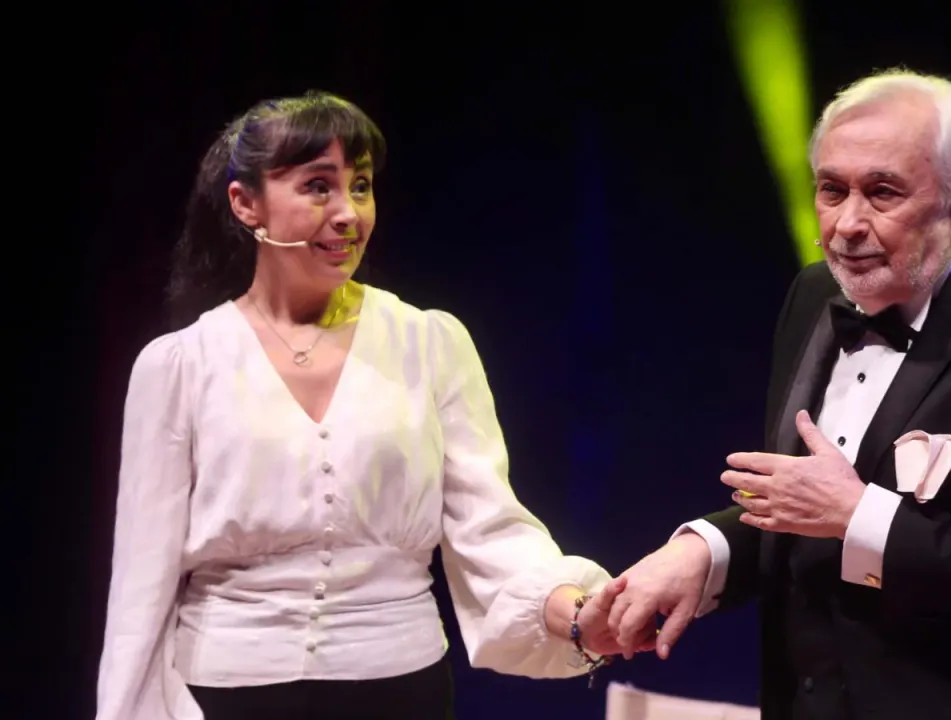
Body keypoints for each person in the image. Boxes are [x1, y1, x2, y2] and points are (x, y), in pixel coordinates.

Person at [606, 69, 951, 719]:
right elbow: (811, 508)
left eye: (882, 192)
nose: (846, 224)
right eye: (831, 190)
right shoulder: (815, 295)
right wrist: (704, 553)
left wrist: (859, 515)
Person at [96, 91, 647, 720]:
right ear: (246, 203)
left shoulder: (429, 343)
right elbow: (142, 582)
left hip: (396, 691)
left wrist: (574, 611)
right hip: (227, 694)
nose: (347, 213)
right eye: (317, 187)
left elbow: (488, 527)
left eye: (360, 187)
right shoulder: (179, 365)